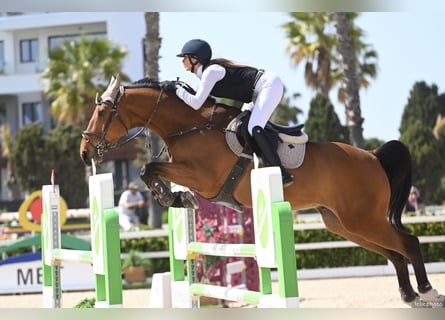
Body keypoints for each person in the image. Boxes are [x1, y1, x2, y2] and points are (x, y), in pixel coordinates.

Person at [175, 39, 293, 187]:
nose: (183, 61)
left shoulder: (210, 72)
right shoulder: (206, 73)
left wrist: (177, 90)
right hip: (255, 94)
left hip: (268, 86)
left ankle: (281, 172)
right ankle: (262, 162)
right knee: (240, 126)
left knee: (253, 127)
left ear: (195, 58)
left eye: (185, 57)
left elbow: (196, 103)